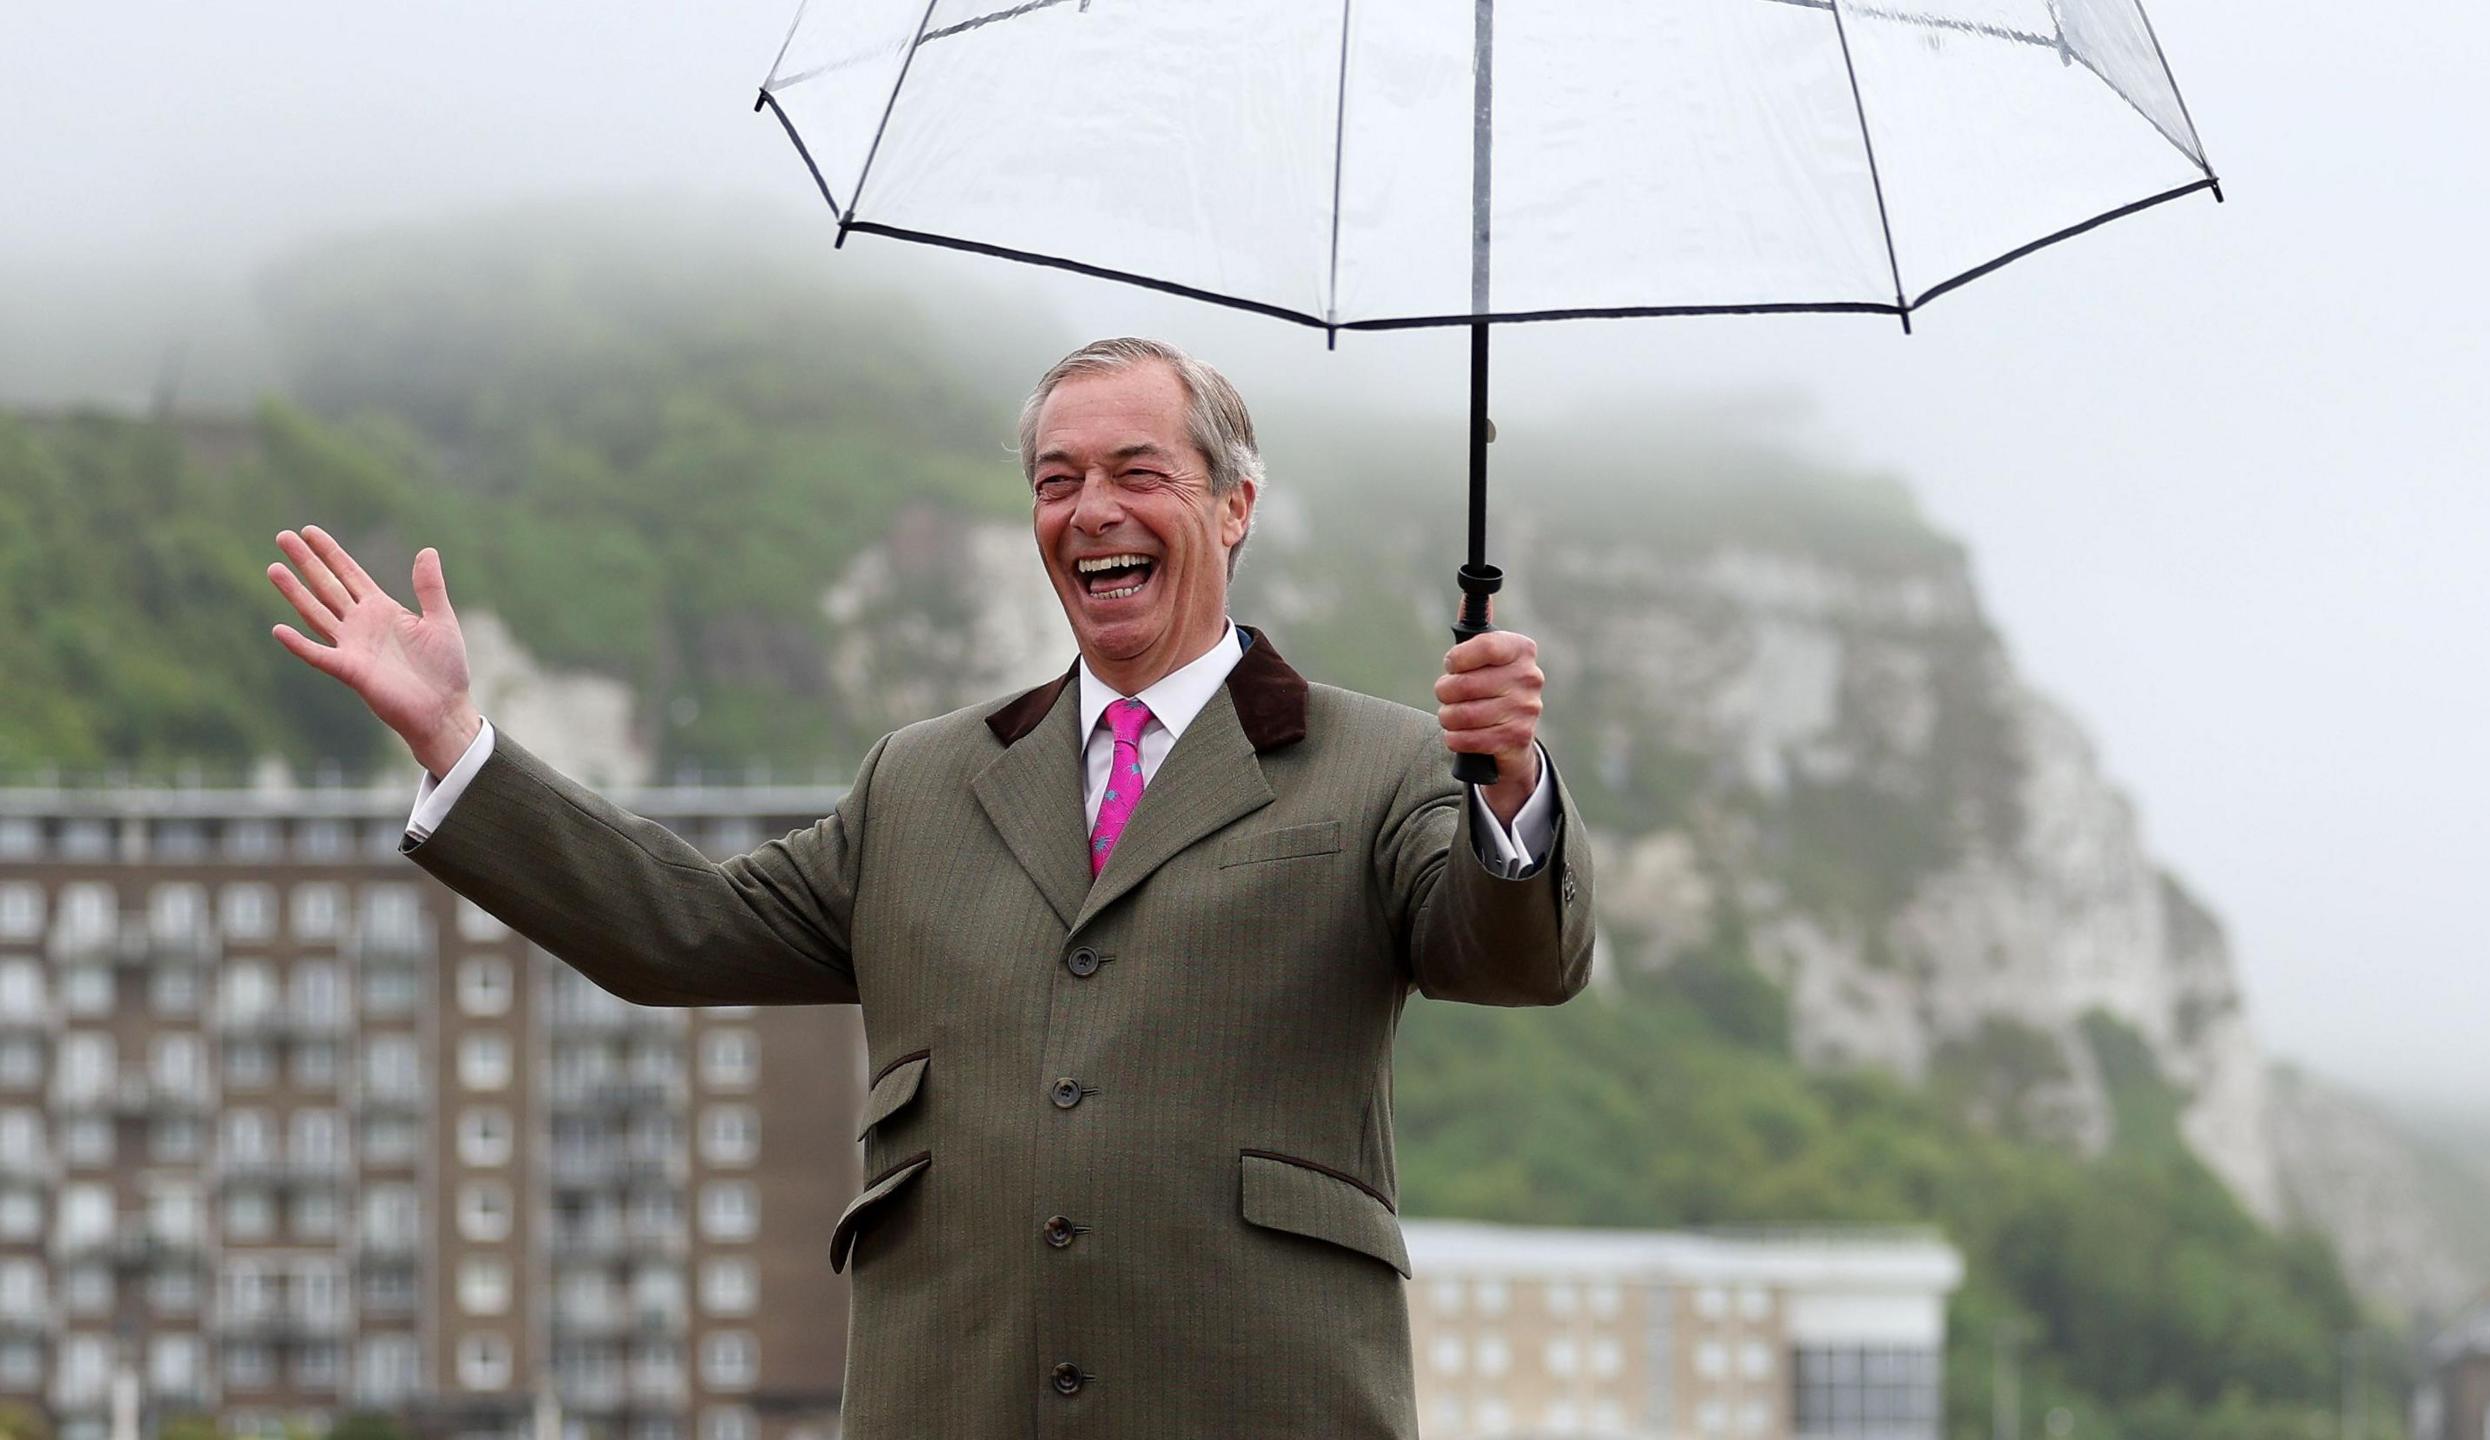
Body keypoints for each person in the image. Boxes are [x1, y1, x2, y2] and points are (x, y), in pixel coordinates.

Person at [267, 336, 1594, 1438]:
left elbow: (1514, 956)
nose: (1095, 512)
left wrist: (1505, 781)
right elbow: (680, 932)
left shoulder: (1384, 765)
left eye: (1140, 473)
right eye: (1058, 480)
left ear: (1234, 506)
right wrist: (457, 745)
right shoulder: (921, 783)